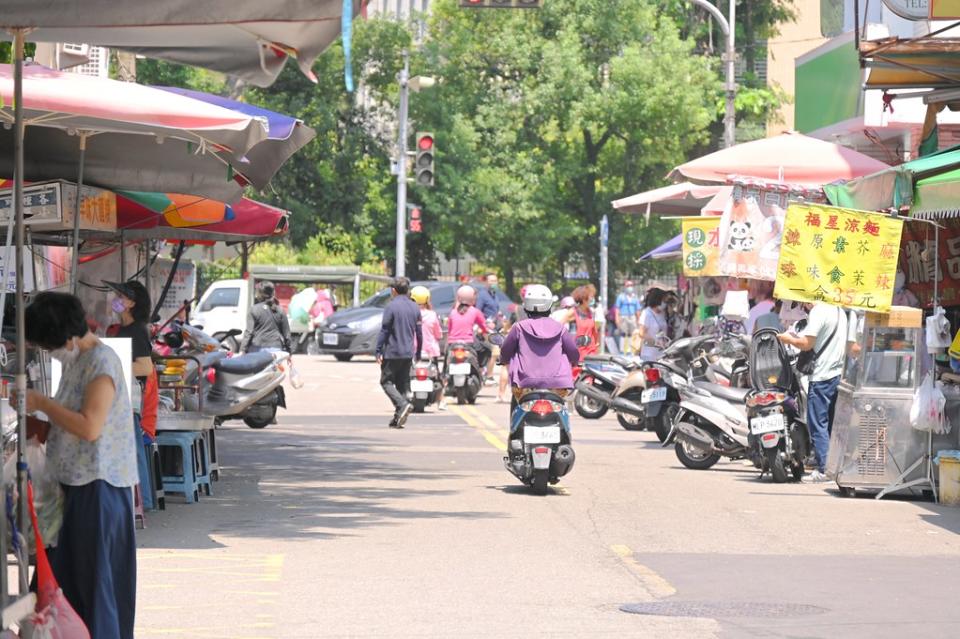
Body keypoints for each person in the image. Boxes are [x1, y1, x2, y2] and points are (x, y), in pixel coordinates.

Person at [18, 292, 137, 639]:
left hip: (98, 489)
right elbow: (67, 420)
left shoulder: (102, 362)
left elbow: (89, 426)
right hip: (70, 485)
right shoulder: (75, 362)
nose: (47, 352)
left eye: (47, 344)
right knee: (58, 585)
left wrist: (42, 402)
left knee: (93, 589)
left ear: (66, 337)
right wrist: (38, 423)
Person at [778, 302, 851, 483]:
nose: (803, 307)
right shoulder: (839, 311)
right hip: (837, 374)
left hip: (821, 376)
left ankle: (824, 468)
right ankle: (835, 466)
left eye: (803, 303)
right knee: (832, 425)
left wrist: (788, 339)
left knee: (817, 423)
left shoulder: (819, 311)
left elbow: (806, 343)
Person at [105, 279, 158, 510]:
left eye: (121, 297)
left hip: (131, 400)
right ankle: (140, 500)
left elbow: (145, 368)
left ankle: (144, 501)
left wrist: (114, 367)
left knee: (134, 451)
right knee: (130, 450)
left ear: (131, 304)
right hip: (121, 398)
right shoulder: (123, 330)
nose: (115, 299)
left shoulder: (136, 330)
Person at [499, 284, 580, 423]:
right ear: (549, 305)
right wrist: (575, 361)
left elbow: (506, 351)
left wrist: (504, 359)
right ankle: (564, 434)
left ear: (526, 306)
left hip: (524, 385)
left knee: (517, 406)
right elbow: (573, 352)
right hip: (557, 385)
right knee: (561, 409)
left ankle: (515, 431)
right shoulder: (560, 328)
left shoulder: (518, 327)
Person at [376, 277, 422, 429]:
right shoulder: (415, 307)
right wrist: (418, 352)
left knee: (386, 381)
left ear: (393, 291)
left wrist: (378, 350)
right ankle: (398, 417)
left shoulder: (391, 307)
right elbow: (419, 333)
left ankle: (402, 405)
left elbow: (385, 330)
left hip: (393, 352)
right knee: (402, 384)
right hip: (408, 353)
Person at [411, 285, 446, 411]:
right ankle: (441, 401)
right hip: (431, 352)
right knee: (437, 375)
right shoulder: (432, 315)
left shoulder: (410, 314)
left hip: (414, 351)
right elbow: (439, 334)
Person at [240, 281, 291, 354]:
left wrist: (243, 350)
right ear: (273, 293)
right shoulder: (280, 310)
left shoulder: (253, 309)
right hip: (276, 348)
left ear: (259, 294)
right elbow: (287, 334)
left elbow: (249, 332)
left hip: (257, 349)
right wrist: (289, 351)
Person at [636, 288, 669, 361]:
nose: (665, 303)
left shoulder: (662, 314)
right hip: (649, 354)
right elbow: (641, 333)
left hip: (662, 354)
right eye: (664, 301)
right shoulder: (647, 314)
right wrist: (655, 342)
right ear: (658, 300)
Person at [571, 284, 599, 360]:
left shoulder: (591, 313)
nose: (593, 299)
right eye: (591, 297)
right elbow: (559, 327)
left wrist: (596, 346)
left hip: (591, 353)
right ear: (583, 298)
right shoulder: (572, 312)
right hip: (578, 354)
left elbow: (595, 333)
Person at [614, 280, 641, 355]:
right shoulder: (621, 296)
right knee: (623, 334)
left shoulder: (635, 297)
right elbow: (617, 309)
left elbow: (638, 309)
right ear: (625, 287)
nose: (630, 287)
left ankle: (629, 351)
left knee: (631, 334)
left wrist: (639, 319)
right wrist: (617, 318)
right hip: (623, 316)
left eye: (631, 285)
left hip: (632, 317)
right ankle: (622, 351)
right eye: (628, 285)